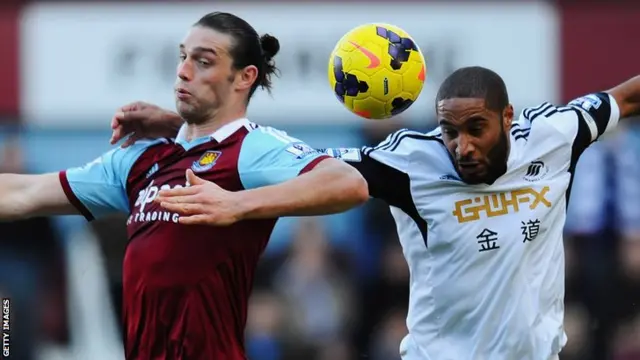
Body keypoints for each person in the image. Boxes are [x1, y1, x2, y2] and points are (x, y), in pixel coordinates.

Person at [111, 67, 640, 359]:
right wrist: (192, 136)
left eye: (476, 128)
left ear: (507, 118)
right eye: (449, 132)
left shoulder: (556, 134)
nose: (461, 147)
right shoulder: (413, 161)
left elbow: (626, 97)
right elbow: (299, 161)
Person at [0, 12, 368, 360]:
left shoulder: (249, 148)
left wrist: (237, 205)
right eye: (182, 57)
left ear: (244, 77)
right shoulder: (140, 159)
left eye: (203, 61)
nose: (183, 71)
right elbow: (23, 194)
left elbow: (347, 183)